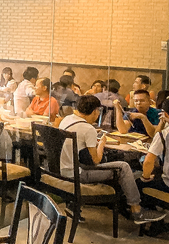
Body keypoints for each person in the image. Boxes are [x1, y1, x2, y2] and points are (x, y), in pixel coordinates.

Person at [59, 95, 164, 225]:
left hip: (64, 169)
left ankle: (77, 205)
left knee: (116, 164)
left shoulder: (67, 119)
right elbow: (96, 160)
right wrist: (101, 143)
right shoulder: (88, 129)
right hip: (78, 173)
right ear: (95, 111)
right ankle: (137, 210)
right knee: (123, 167)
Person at [137, 99, 169, 209]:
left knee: (138, 184)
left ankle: (150, 216)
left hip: (167, 185)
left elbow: (148, 161)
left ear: (165, 114)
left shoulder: (163, 135)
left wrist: (145, 178)